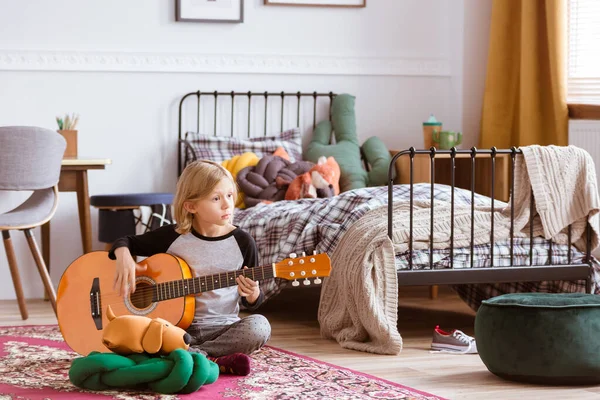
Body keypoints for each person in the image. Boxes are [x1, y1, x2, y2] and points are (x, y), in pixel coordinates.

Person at [109, 160, 271, 376]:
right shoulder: (172, 237)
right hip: (175, 329)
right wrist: (124, 256)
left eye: (230, 195)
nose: (227, 204)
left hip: (224, 329)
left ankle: (194, 355)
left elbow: (250, 303)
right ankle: (213, 360)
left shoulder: (243, 242)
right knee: (138, 334)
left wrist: (253, 294)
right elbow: (125, 240)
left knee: (260, 327)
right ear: (191, 206)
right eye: (216, 198)